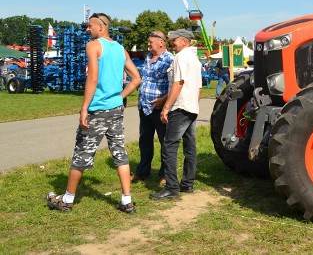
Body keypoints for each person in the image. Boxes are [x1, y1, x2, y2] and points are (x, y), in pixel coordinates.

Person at [46, 13, 141, 213]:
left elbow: (93, 78)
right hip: (116, 109)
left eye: (90, 26)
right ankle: (127, 200)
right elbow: (136, 79)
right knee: (119, 153)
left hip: (97, 110)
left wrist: (83, 108)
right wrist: (118, 96)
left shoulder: (94, 45)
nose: (87, 29)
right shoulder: (120, 49)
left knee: (82, 153)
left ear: (101, 26)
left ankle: (67, 200)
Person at [150, 29, 202, 199]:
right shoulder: (194, 58)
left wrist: (166, 108)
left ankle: (172, 188)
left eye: (174, 40)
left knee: (169, 146)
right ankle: (187, 184)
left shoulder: (181, 57)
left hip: (180, 107)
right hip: (191, 107)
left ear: (184, 41)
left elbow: (178, 84)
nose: (172, 43)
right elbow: (199, 88)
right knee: (190, 147)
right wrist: (194, 103)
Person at [131, 31, 174, 186]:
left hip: (160, 108)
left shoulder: (170, 59)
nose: (148, 44)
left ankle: (165, 174)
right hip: (144, 106)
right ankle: (143, 172)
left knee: (165, 142)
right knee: (145, 140)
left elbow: (176, 84)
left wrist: (164, 100)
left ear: (161, 42)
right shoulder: (148, 58)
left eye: (151, 41)